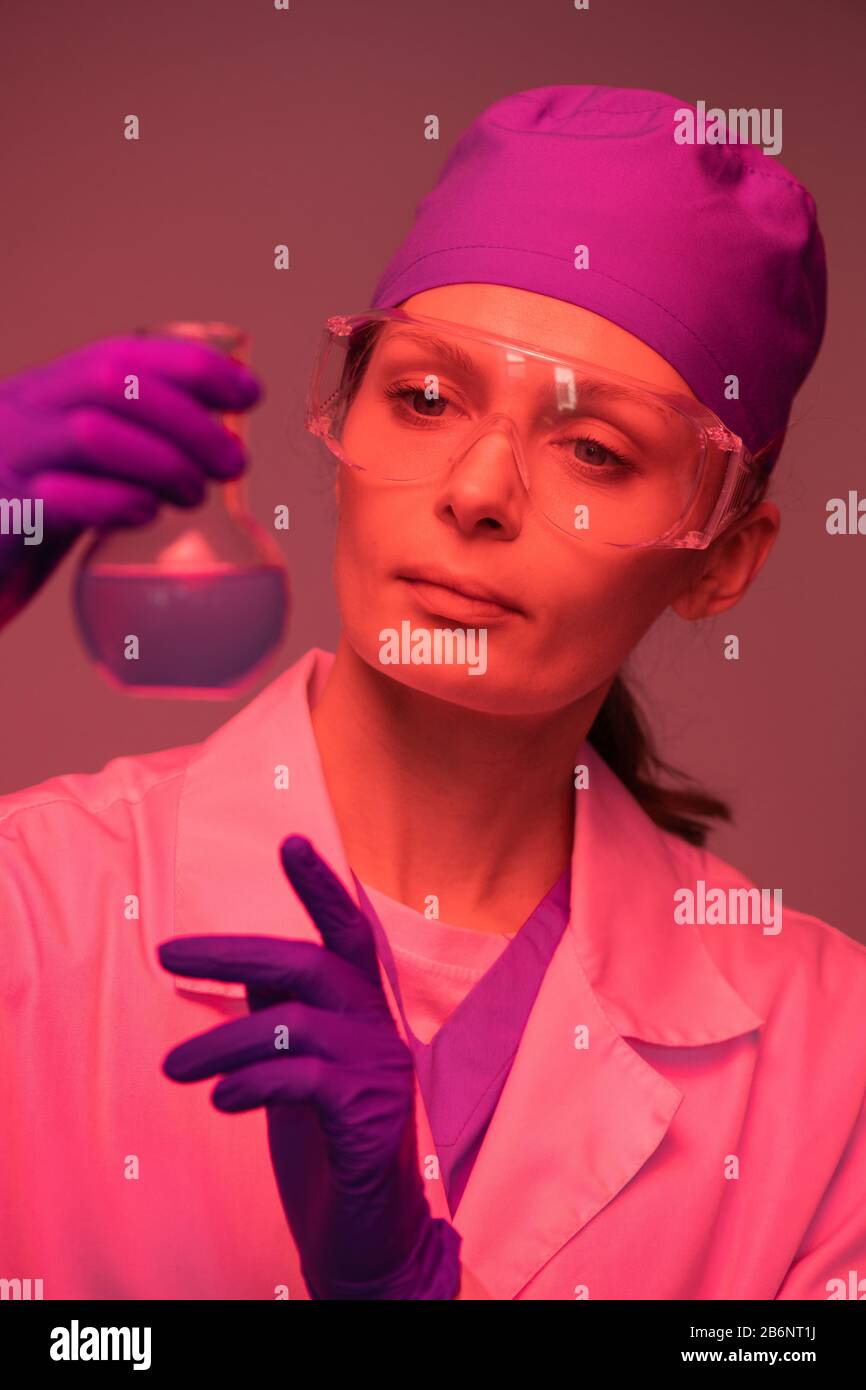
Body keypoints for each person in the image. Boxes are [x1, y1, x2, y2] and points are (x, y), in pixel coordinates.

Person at [1, 84, 864, 1301]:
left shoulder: (835, 1067)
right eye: (423, 397)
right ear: (343, 413)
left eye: (593, 450)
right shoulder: (29, 913)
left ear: (718, 557)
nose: (475, 492)